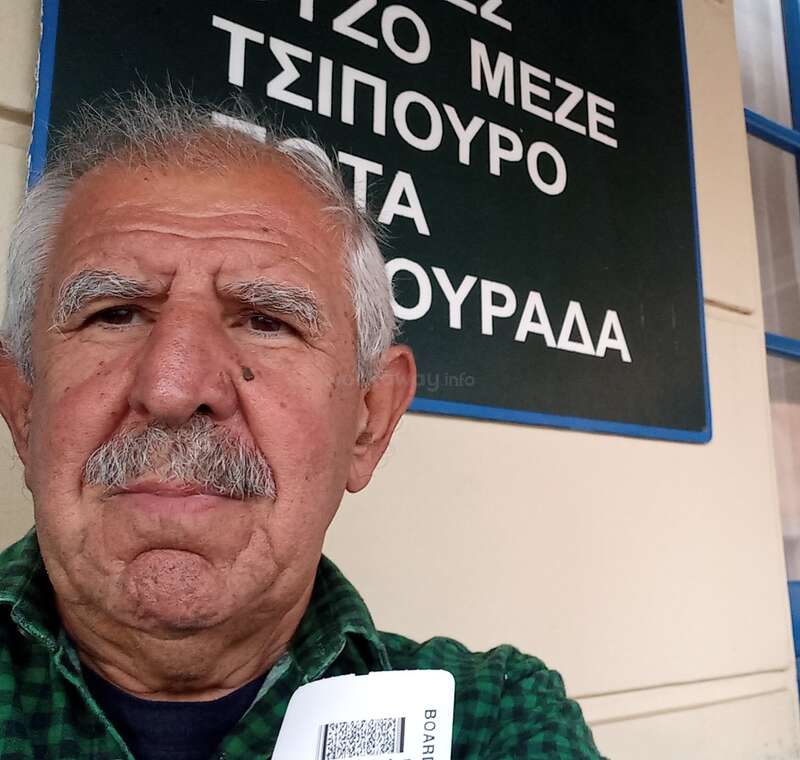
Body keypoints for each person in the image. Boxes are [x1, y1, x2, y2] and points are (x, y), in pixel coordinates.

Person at [0, 90, 605, 759]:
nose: (171, 388)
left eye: (266, 321)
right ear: (23, 406)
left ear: (369, 423)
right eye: (114, 313)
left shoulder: (493, 719)